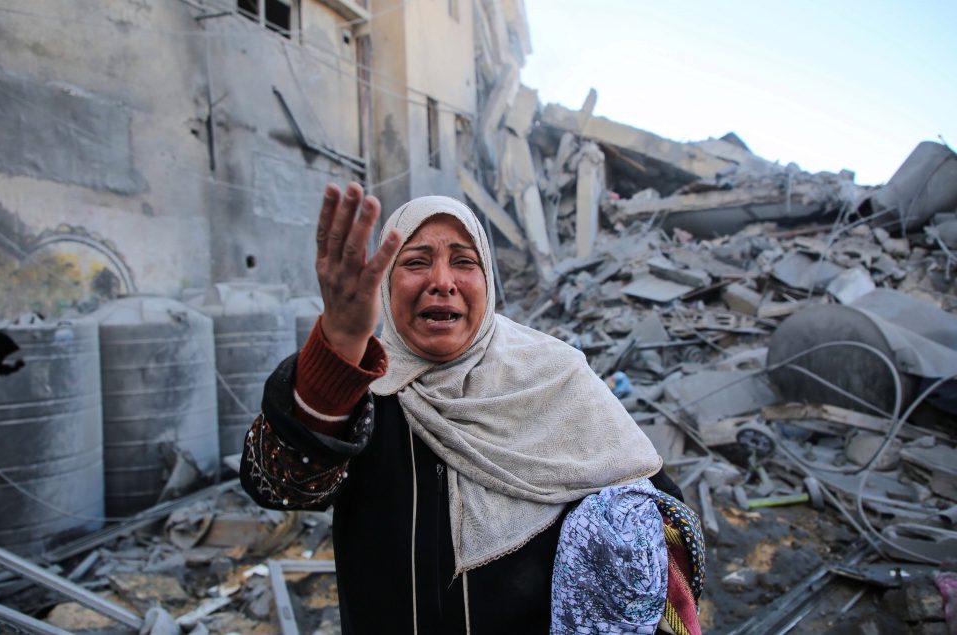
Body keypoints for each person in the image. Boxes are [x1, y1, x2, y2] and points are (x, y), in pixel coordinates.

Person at [240, 183, 703, 634]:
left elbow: (653, 525)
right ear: (384, 284)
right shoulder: (363, 391)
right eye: (416, 262)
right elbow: (280, 485)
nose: (442, 282)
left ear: (488, 281)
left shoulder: (555, 379)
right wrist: (338, 347)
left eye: (464, 261)